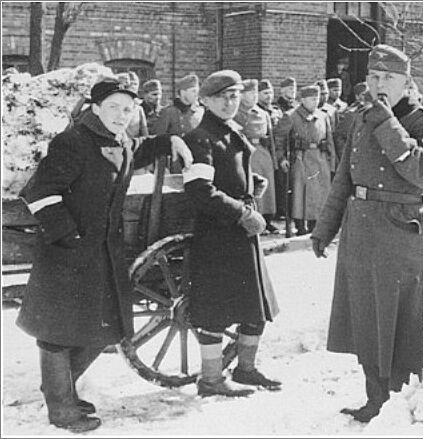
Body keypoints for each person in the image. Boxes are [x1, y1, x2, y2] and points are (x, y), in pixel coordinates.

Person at [16, 77, 194, 433]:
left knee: (104, 326)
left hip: (101, 253)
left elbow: (136, 148)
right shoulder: (73, 142)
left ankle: (60, 389)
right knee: (59, 330)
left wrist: (169, 139)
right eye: (112, 107)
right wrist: (70, 234)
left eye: (127, 110)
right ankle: (61, 408)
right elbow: (39, 192)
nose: (121, 115)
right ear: (95, 108)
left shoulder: (120, 140)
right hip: (67, 253)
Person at [310, 44, 423, 423]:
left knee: (402, 319)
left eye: (388, 77)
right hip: (361, 229)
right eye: (373, 77)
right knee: (366, 315)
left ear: (406, 82)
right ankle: (374, 396)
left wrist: (387, 122)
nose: (379, 84)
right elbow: (344, 178)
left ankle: (400, 399)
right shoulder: (359, 118)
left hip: (402, 230)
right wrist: (325, 227)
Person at [182, 69, 281, 398]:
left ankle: (245, 368)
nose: (229, 102)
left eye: (234, 96)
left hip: (241, 233)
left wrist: (253, 184)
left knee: (256, 304)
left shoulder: (230, 131)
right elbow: (199, 189)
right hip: (218, 234)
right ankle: (210, 380)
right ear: (206, 101)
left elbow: (230, 171)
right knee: (216, 310)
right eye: (221, 97)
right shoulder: (200, 137)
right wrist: (240, 212)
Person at [274, 85, 335, 236]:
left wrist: (332, 161)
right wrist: (281, 158)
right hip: (301, 158)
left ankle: (315, 224)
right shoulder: (291, 116)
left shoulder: (323, 116)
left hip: (320, 158)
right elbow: (280, 140)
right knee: (300, 193)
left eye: (317, 98)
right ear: (303, 100)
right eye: (312, 99)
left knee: (320, 193)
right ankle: (300, 225)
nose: (316, 102)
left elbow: (329, 139)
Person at [234, 79, 279, 234]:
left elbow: (271, 138)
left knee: (268, 189)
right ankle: (255, 218)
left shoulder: (264, 113)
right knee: (252, 187)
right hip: (248, 154)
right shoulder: (236, 113)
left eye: (254, 93)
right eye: (249, 93)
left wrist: (274, 160)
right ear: (241, 95)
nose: (253, 96)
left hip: (263, 152)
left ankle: (268, 220)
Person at [157, 74, 205, 172]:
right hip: (176, 164)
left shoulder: (200, 112)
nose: (197, 94)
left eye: (197, 91)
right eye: (193, 91)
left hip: (198, 162)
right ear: (183, 92)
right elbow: (158, 139)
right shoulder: (169, 112)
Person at [258, 79, 288, 224]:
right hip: (264, 151)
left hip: (276, 152)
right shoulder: (257, 111)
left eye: (270, 93)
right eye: (264, 93)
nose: (268, 96)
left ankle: (274, 215)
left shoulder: (276, 111)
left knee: (277, 185)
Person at [334, 82, 369, 161]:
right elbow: (339, 136)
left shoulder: (378, 112)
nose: (367, 96)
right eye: (364, 94)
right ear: (357, 97)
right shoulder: (351, 114)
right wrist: (346, 156)